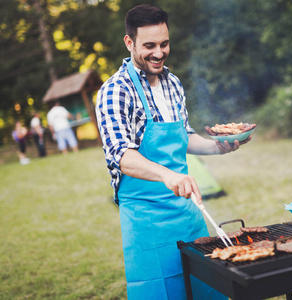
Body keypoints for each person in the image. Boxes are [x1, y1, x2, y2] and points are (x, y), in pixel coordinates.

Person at [95, 4, 251, 300]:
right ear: (129, 43)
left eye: (164, 44)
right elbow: (121, 155)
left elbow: (185, 136)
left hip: (188, 212)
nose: (159, 53)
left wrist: (220, 147)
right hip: (146, 220)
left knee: (208, 288)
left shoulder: (173, 83)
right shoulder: (115, 91)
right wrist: (168, 176)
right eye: (149, 46)